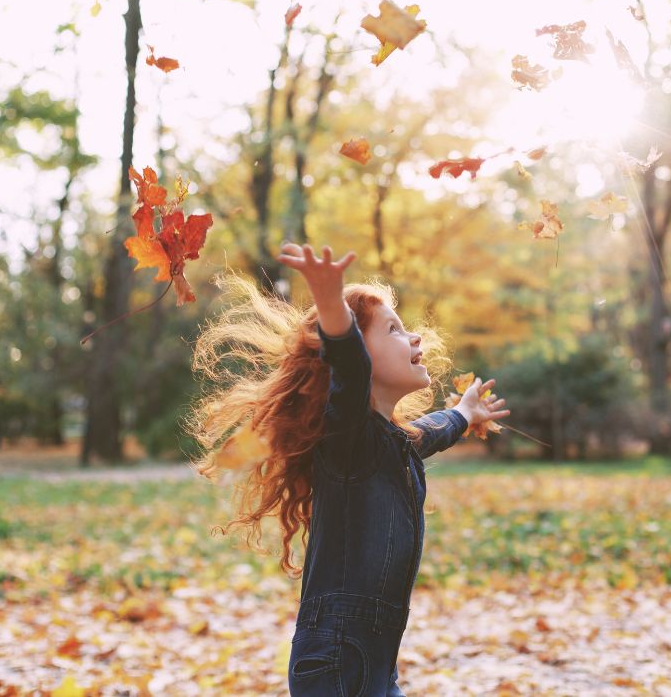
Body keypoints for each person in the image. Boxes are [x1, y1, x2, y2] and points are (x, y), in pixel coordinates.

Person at [188, 243, 510, 696]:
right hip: (338, 661)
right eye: (394, 330)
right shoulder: (345, 439)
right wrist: (329, 301)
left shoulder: (391, 442)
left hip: (373, 664)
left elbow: (433, 430)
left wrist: (464, 412)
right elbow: (351, 365)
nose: (414, 337)